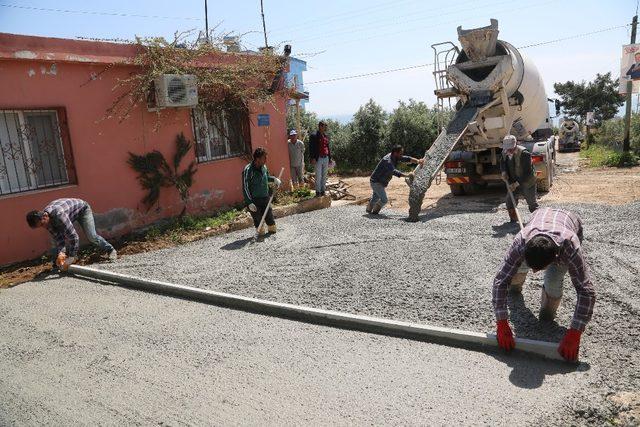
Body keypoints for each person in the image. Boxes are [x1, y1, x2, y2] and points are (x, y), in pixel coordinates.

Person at [492, 208, 595, 362]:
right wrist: (501, 321)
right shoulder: (521, 241)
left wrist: (575, 332)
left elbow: (585, 291)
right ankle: (515, 288)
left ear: (555, 258)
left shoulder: (570, 247)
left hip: (569, 223)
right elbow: (500, 280)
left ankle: (547, 314)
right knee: (516, 270)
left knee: (553, 280)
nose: (535, 272)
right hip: (541, 217)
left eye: (539, 268)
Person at [26, 198, 117, 271]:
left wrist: (72, 257)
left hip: (83, 209)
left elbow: (74, 237)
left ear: (45, 216)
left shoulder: (59, 215)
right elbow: (59, 239)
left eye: (42, 224)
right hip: (70, 212)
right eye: (40, 226)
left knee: (91, 236)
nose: (43, 227)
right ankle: (58, 262)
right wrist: (61, 254)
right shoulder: (47, 222)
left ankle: (111, 250)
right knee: (59, 244)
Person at [367, 145, 424, 214]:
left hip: (379, 181)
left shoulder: (395, 156)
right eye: (400, 153)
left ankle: (368, 210)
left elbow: (407, 158)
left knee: (375, 198)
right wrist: (407, 175)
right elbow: (394, 172)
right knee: (384, 200)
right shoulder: (388, 161)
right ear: (395, 153)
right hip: (376, 182)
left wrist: (418, 161)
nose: (401, 155)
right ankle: (375, 212)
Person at [242, 147, 282, 235]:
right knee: (258, 221)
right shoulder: (248, 170)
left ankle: (271, 231)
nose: (266, 160)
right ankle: (260, 233)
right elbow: (245, 187)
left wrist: (274, 179)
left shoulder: (264, 167)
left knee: (270, 218)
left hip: (265, 197)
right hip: (254, 200)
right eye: (264, 158)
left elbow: (266, 178)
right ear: (257, 159)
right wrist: (249, 203)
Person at [500, 135, 538, 222]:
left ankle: (537, 221)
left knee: (532, 203)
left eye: (510, 149)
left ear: (516, 144)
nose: (509, 151)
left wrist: (516, 184)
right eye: (507, 148)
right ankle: (513, 219)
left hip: (527, 182)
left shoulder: (524, 154)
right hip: (513, 180)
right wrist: (503, 171)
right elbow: (502, 162)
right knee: (509, 201)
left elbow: (527, 173)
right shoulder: (505, 152)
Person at [309, 121, 331, 197]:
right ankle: (318, 192)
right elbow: (311, 148)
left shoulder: (325, 136)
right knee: (318, 176)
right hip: (318, 158)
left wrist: (330, 158)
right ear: (320, 126)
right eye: (324, 126)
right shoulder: (314, 135)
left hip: (326, 158)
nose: (325, 128)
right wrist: (312, 158)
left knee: (324, 175)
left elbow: (327, 147)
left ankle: (323, 191)